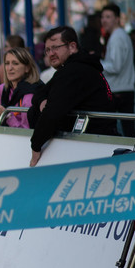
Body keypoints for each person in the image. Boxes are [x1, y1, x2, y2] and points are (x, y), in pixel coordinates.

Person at [28, 25, 118, 167]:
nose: (51, 53)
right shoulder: (72, 69)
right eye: (47, 50)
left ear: (72, 47)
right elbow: (40, 93)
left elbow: (52, 112)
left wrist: (36, 145)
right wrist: (42, 101)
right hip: (93, 145)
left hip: (93, 148)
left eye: (56, 47)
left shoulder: (74, 71)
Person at [100, 3, 135, 136]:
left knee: (111, 129)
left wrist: (97, 63)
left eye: (108, 17)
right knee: (128, 130)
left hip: (118, 90)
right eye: (103, 17)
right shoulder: (120, 35)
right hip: (124, 89)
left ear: (117, 18)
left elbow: (115, 66)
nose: (104, 20)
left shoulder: (117, 38)